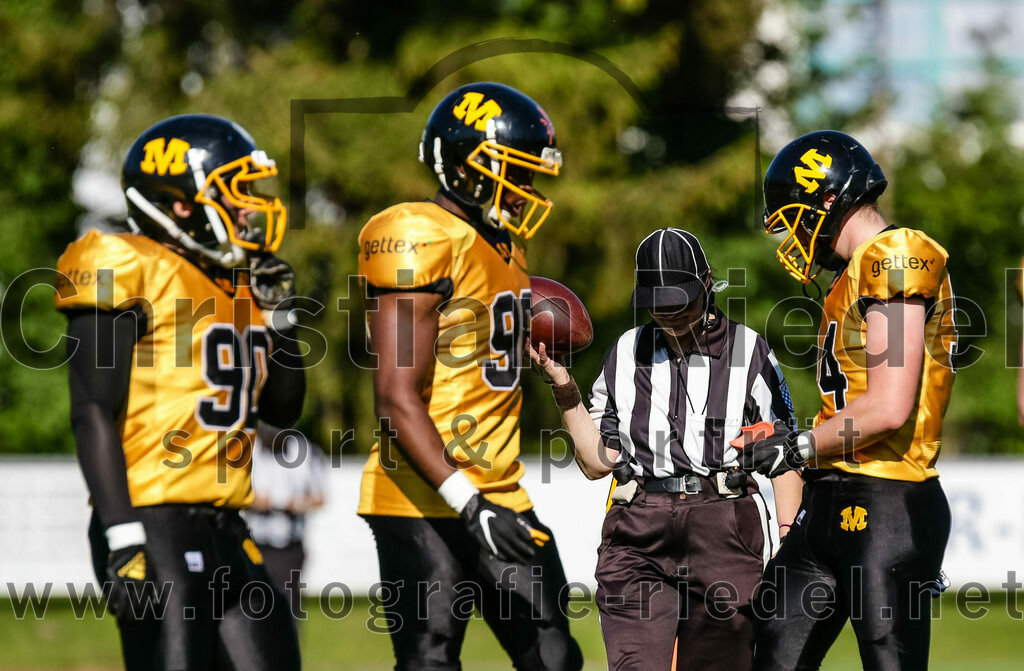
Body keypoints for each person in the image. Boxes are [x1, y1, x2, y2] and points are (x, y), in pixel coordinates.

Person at [55, 114, 305, 670]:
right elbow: (92, 410)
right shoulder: (125, 261)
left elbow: (284, 410)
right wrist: (122, 535)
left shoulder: (234, 284)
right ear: (183, 203)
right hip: (153, 520)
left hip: (229, 524)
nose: (250, 208)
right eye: (236, 192)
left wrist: (281, 316)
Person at [356, 82, 582, 670]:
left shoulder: (503, 244)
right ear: (470, 168)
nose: (528, 189)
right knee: (431, 661)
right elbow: (394, 397)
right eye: (518, 172)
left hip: (499, 486)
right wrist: (467, 501)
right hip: (423, 495)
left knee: (556, 657)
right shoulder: (418, 233)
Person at [529, 227, 803, 670]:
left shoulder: (749, 350)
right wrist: (564, 389)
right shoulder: (624, 352)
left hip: (724, 523)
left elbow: (783, 452)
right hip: (639, 524)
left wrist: (789, 537)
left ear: (707, 282)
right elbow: (599, 462)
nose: (671, 314)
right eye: (659, 304)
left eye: (681, 301)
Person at [742, 130, 956, 670]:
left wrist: (799, 446)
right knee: (767, 648)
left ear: (824, 200)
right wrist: (795, 443)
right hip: (826, 500)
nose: (791, 237)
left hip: (888, 500)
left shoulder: (896, 253)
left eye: (791, 217)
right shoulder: (850, 277)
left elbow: (888, 406)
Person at [247, 423, 325, 618]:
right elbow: (228, 492)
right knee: (254, 606)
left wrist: (296, 504)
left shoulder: (303, 450)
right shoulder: (248, 449)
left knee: (289, 606)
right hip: (255, 544)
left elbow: (319, 497)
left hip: (290, 547)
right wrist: (253, 501)